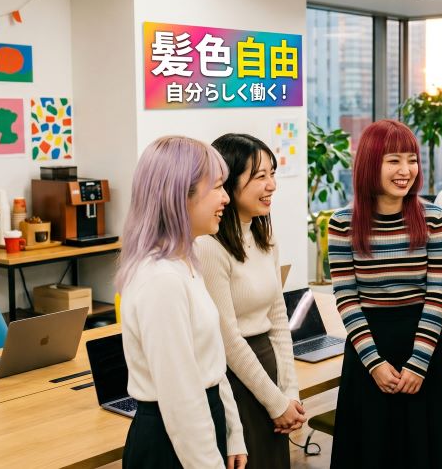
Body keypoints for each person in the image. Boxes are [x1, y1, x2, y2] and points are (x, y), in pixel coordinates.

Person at [327, 119, 442, 468]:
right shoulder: (342, 223)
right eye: (394, 160)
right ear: (370, 163)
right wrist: (374, 363)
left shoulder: (433, 218)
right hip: (368, 353)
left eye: (411, 160)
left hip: (424, 350)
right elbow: (347, 297)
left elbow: (438, 294)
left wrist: (418, 363)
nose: (406, 170)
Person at [115, 136, 247, 469]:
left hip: (202, 422)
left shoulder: (186, 261)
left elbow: (212, 363)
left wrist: (233, 432)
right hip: (169, 440)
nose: (226, 198)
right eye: (217, 187)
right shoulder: (160, 278)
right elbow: (180, 396)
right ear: (179, 196)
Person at [195, 133, 304, 469]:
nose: (272, 185)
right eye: (259, 176)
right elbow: (228, 339)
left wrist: (290, 393)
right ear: (227, 183)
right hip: (234, 379)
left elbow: (279, 317)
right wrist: (276, 403)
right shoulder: (209, 245)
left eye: (272, 173)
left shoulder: (264, 233)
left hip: (267, 366)